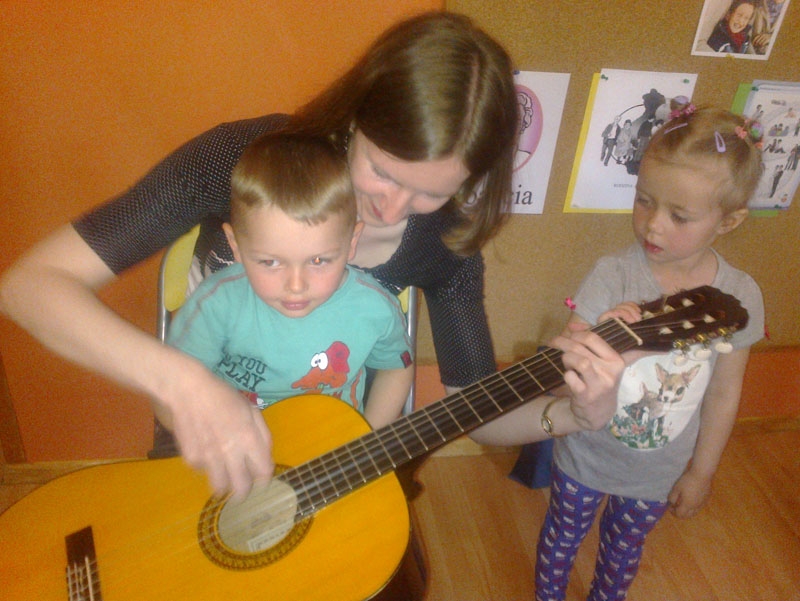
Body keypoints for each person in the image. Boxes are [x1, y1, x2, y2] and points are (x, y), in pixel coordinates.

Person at [0, 11, 623, 499]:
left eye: (431, 193)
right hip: (206, 451)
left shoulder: (445, 243)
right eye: (382, 171)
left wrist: (573, 415)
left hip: (331, 460)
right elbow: (29, 286)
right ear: (356, 117)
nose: (393, 208)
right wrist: (183, 382)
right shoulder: (245, 160)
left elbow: (479, 412)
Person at [533, 103, 765, 601]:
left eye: (679, 216)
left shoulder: (739, 295)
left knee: (623, 554)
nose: (652, 225)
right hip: (586, 456)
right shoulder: (612, 274)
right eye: (643, 200)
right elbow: (563, 373)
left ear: (729, 221)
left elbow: (724, 393)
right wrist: (601, 334)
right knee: (561, 540)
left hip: (658, 472)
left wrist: (701, 472)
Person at [164, 132, 414, 442]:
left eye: (318, 260)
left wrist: (367, 440)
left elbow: (396, 367)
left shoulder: (374, 308)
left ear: (351, 242)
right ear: (236, 245)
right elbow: (169, 394)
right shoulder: (215, 306)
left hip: (333, 452)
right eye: (270, 262)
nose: (296, 286)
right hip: (232, 449)